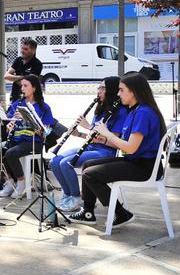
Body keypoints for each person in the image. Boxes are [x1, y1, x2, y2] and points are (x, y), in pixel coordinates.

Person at [70, 73, 166, 226]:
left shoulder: (143, 113)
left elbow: (130, 148)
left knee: (90, 175)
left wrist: (106, 133)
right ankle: (88, 213)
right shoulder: (135, 110)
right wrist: (94, 134)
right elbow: (127, 146)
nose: (118, 93)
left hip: (145, 167)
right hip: (136, 161)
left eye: (121, 90)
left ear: (133, 91)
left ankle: (121, 214)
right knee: (88, 165)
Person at [50, 77, 128, 212]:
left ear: (112, 91)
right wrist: (79, 134)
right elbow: (93, 137)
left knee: (66, 163)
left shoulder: (120, 112)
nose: (99, 91)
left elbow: (113, 140)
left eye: (103, 88)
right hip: (91, 147)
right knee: (55, 161)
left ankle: (76, 197)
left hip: (106, 151)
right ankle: (68, 195)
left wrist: (87, 126)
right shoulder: (101, 109)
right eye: (99, 88)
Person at [0, 74, 54, 198]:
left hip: (34, 142)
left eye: (25, 86)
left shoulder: (43, 107)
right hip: (16, 139)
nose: (22, 88)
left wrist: (28, 119)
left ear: (34, 88)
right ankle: (9, 182)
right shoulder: (16, 104)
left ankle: (21, 182)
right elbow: (9, 125)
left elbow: (46, 133)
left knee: (11, 153)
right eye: (21, 86)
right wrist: (9, 126)